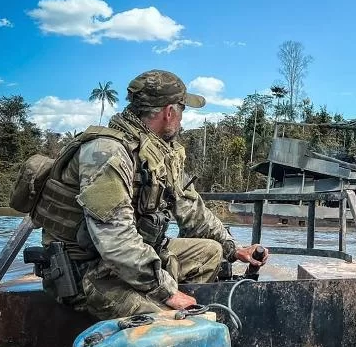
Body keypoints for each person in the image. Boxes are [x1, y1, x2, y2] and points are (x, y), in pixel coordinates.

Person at [33, 70, 268, 320]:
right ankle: (166, 328)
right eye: (181, 111)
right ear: (169, 112)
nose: (180, 119)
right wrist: (166, 293)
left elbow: (192, 210)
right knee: (176, 324)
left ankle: (176, 307)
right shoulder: (107, 153)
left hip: (126, 262)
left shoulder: (157, 151)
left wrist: (234, 249)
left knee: (210, 251)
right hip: (87, 274)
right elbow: (116, 240)